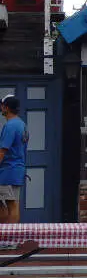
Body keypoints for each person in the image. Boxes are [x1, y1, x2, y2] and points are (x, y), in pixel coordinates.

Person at [0, 96, 27, 224]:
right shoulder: (22, 124)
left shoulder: (10, 126)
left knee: (11, 205)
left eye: (2, 105)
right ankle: (7, 238)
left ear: (6, 107)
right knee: (8, 204)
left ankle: (9, 240)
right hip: (16, 169)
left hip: (8, 170)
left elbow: (2, 151)